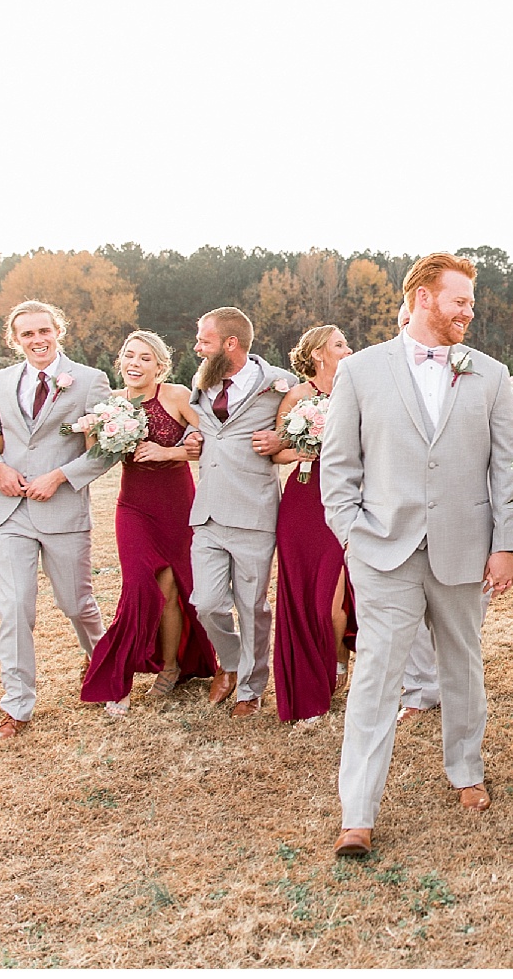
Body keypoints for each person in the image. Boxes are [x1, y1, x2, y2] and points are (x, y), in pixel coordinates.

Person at [320, 253, 513, 858]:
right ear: (424, 299)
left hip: (466, 547)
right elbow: (339, 466)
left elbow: (508, 468)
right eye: (460, 301)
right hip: (383, 549)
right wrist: (353, 538)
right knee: (376, 675)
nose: (469, 312)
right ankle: (358, 811)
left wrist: (506, 545)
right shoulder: (359, 371)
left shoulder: (490, 374)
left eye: (471, 302)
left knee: (463, 664)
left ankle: (466, 769)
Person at [0, 300, 116, 742]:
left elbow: (108, 446)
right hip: (10, 512)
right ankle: (16, 706)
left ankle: (105, 671)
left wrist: (59, 477)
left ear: (58, 331)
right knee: (15, 606)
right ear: (14, 339)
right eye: (27, 334)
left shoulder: (90, 380)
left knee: (76, 604)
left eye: (44, 331)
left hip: (63, 509)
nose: (37, 340)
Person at [78, 331, 217, 716]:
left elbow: (212, 440)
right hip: (134, 506)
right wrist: (91, 430)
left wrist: (168, 452)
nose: (134, 364)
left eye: (144, 358)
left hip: (177, 504)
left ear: (159, 365)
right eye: (129, 356)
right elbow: (96, 456)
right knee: (139, 587)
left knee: (170, 590)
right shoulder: (111, 404)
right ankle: (118, 677)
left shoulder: (176, 396)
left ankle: (171, 668)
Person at [184, 306, 293, 718]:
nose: (197, 348)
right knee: (206, 603)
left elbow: (309, 424)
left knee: (252, 606)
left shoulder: (279, 384)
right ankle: (230, 662)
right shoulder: (202, 381)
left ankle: (250, 688)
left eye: (205, 341)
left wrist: (281, 439)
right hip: (208, 512)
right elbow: (198, 425)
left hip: (253, 511)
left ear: (231, 343)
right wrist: (191, 437)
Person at [271, 324, 357, 723]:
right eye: (339, 344)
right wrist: (302, 452)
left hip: (343, 499)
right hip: (303, 501)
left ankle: (338, 659)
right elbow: (277, 452)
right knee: (303, 597)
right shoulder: (298, 396)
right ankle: (311, 683)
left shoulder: (355, 391)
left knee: (330, 602)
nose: (348, 349)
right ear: (319, 353)